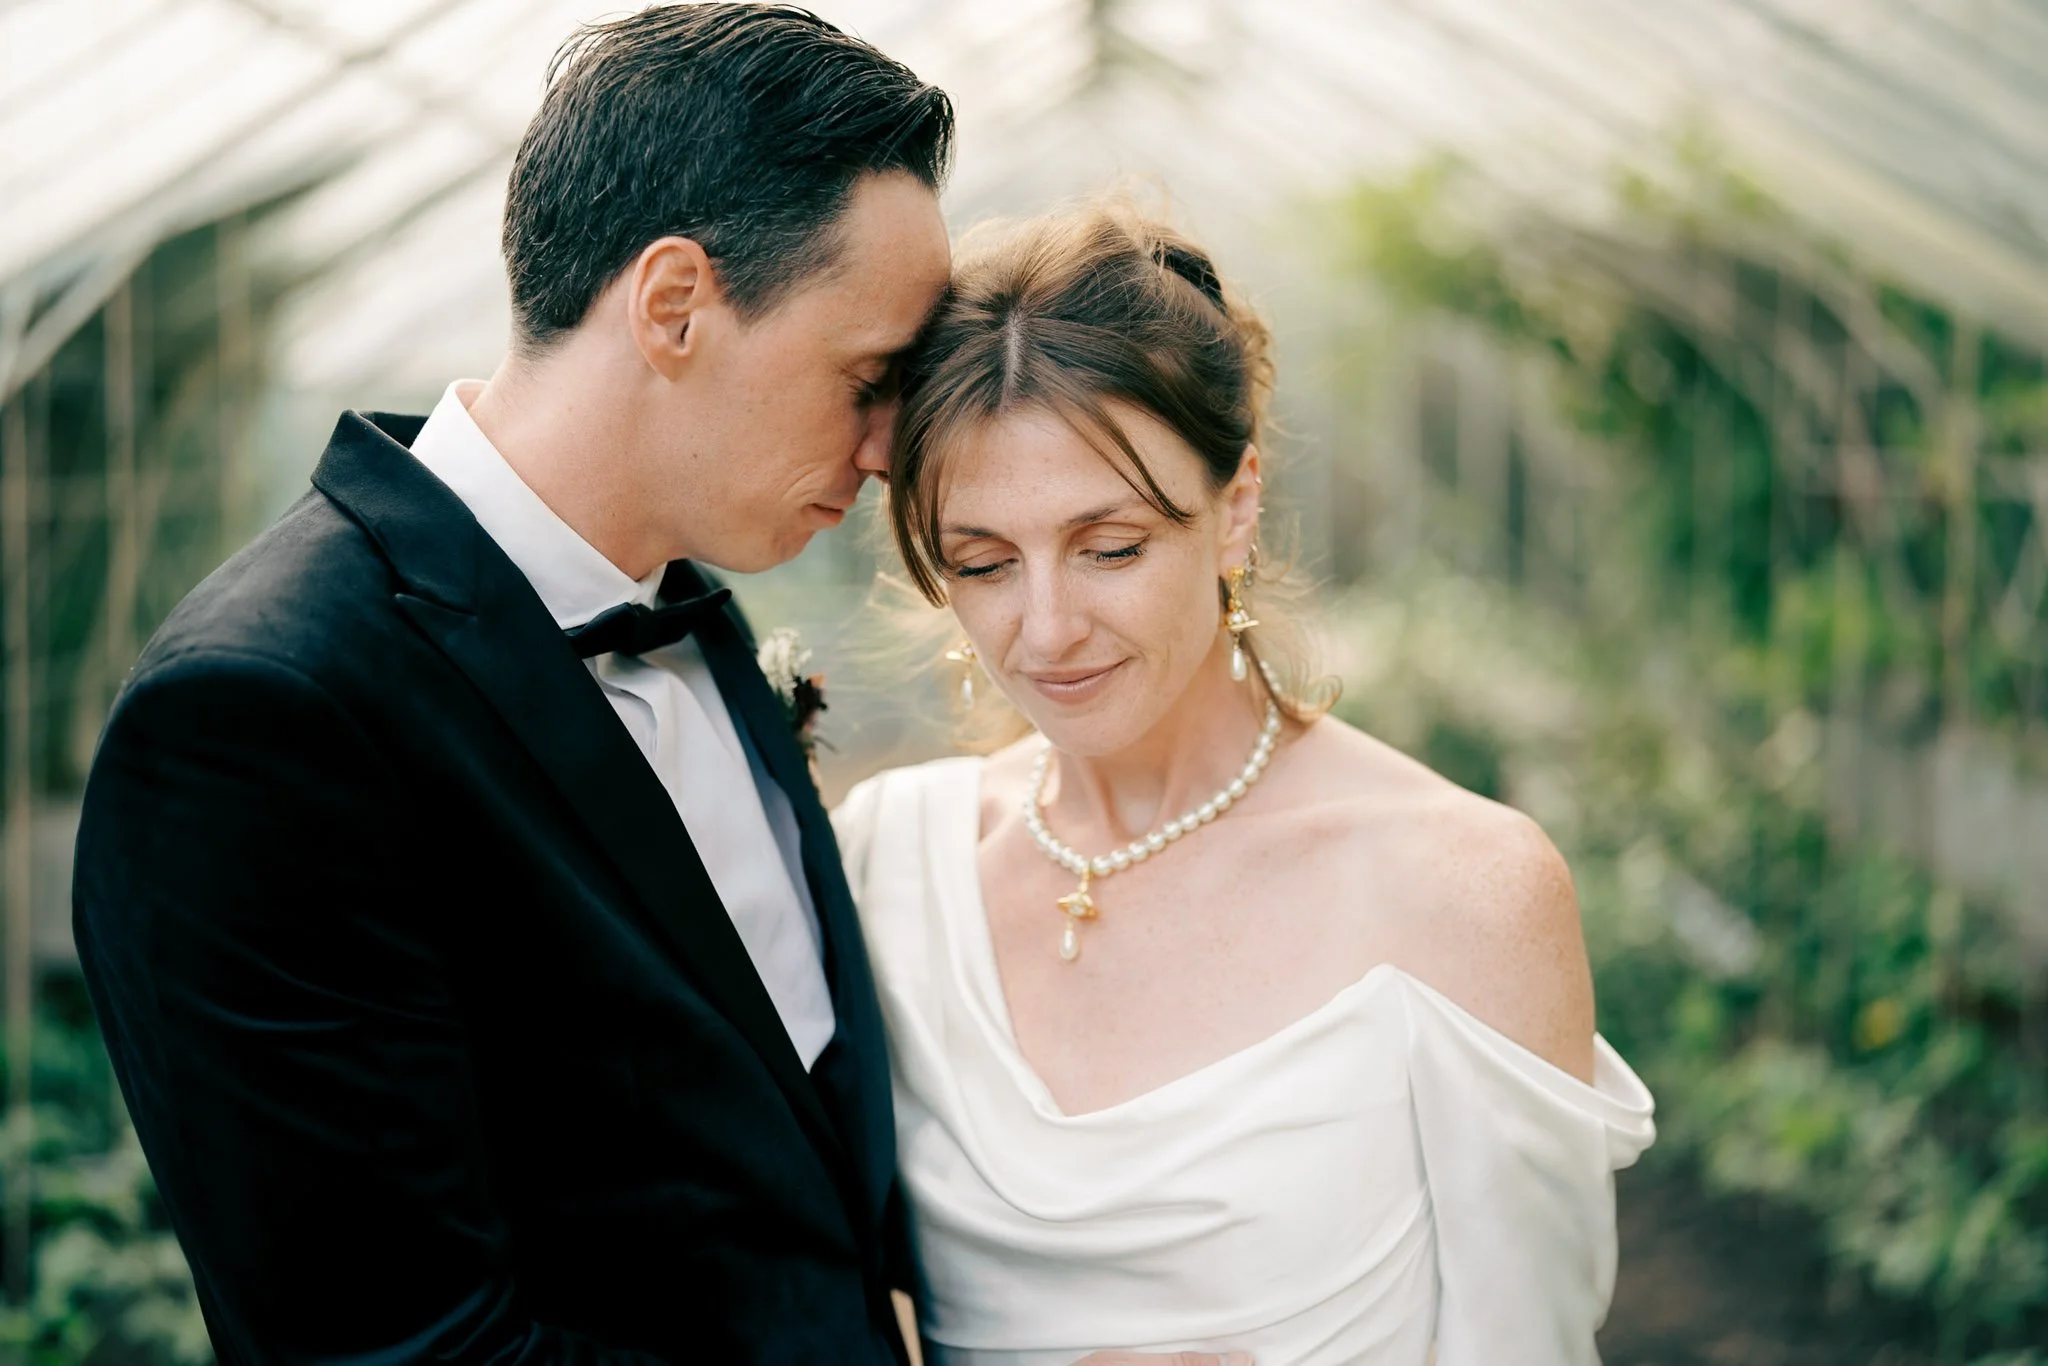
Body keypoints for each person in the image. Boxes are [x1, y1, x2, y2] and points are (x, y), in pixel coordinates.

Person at [72, 7, 956, 1361]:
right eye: (868, 376)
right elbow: (402, 1348)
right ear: (674, 307)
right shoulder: (261, 715)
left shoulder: (688, 606)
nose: (891, 445)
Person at [832, 203, 1658, 1366]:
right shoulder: (887, 863)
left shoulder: (1465, 888)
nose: (1048, 627)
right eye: (980, 563)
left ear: (1235, 508)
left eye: (1110, 546)